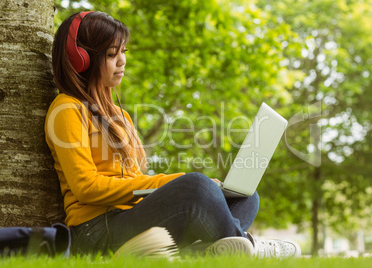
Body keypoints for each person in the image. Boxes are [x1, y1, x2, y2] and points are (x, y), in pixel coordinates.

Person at [45, 11, 301, 258]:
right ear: (82, 59)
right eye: (112, 54)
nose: (122, 61)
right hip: (96, 232)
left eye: (123, 51)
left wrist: (187, 187)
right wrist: (175, 183)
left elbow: (135, 181)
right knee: (196, 185)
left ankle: (203, 250)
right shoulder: (67, 108)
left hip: (134, 221)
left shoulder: (121, 117)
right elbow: (86, 188)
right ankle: (248, 246)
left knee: (244, 195)